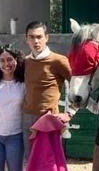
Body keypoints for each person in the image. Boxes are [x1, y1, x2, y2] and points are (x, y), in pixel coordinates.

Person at [21, 20, 71, 157]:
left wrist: (69, 113)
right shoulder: (25, 61)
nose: (36, 41)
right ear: (26, 39)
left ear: (46, 38)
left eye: (39, 37)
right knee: (31, 162)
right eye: (31, 37)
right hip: (27, 118)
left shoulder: (58, 60)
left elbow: (77, 86)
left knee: (49, 162)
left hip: (49, 118)